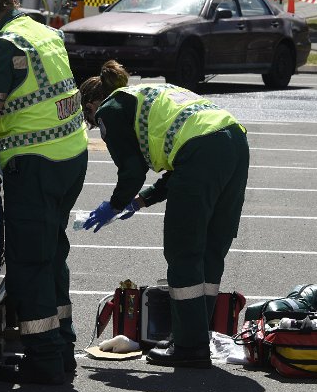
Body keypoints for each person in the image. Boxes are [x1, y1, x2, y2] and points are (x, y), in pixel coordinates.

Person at [80, 60, 249, 369]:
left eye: (90, 120)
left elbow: (132, 171)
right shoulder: (151, 92)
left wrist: (114, 205)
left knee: (183, 251)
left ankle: (189, 345)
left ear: (92, 104)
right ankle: (199, 333)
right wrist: (141, 201)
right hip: (234, 140)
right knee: (212, 249)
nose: (96, 126)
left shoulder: (109, 109)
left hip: (201, 151)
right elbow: (183, 159)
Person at [0, 0, 88, 385]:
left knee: (29, 263)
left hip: (35, 164)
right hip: (70, 156)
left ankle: (46, 361)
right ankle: (63, 348)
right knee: (51, 254)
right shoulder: (40, 31)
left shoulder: (4, 45)